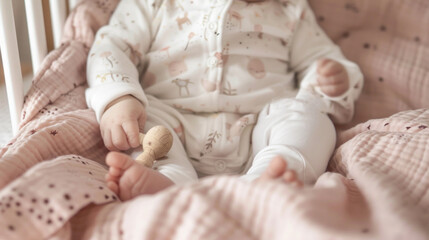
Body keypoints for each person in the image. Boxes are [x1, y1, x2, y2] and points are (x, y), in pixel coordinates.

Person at [86, 0, 363, 200]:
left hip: (261, 127)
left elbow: (322, 58)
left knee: (310, 119)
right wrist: (118, 97)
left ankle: (269, 179)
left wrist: (333, 79)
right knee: (140, 125)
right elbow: (111, 47)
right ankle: (168, 183)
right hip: (172, 121)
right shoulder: (153, 4)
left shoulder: (290, 10)